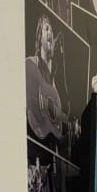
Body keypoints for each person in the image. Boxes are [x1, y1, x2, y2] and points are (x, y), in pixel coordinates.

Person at [26, 13, 67, 147]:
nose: (50, 33)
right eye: (46, 29)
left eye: (51, 30)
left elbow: (56, 124)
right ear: (39, 37)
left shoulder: (55, 81)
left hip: (45, 143)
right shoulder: (31, 63)